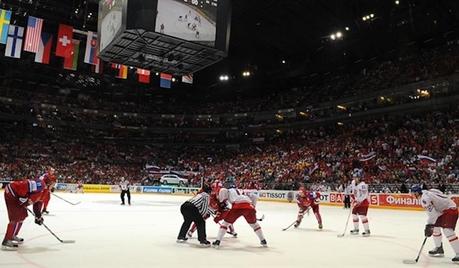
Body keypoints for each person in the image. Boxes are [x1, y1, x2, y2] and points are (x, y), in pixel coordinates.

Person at [2, 174, 56, 250]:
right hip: (12, 193)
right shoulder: (40, 184)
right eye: (53, 183)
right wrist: (23, 199)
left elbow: (38, 204)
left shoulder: (45, 191)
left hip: (18, 196)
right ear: (49, 182)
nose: (54, 186)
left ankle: (13, 235)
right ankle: (6, 241)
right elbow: (24, 185)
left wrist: (38, 216)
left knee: (22, 216)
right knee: (15, 218)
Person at [411, 185, 459, 262]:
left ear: (417, 193)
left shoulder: (424, 199)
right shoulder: (428, 191)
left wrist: (429, 225)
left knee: (448, 231)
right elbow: (440, 193)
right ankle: (439, 248)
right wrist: (431, 225)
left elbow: (433, 215)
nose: (412, 195)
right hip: (442, 210)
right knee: (435, 228)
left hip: (450, 210)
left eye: (413, 193)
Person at [212, 183, 267, 248]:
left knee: (225, 224)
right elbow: (254, 197)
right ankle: (263, 240)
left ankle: (217, 241)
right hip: (249, 206)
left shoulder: (226, 190)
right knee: (255, 225)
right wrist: (253, 208)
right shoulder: (241, 191)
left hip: (237, 206)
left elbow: (221, 200)